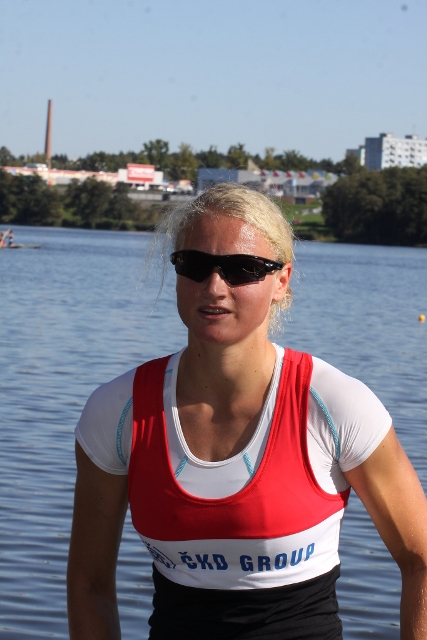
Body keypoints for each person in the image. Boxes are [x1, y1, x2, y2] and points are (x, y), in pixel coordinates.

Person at [67, 183, 427, 640]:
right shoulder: (118, 411)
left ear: (282, 281)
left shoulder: (335, 405)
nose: (214, 287)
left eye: (243, 269)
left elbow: (421, 560)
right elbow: (89, 584)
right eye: (194, 264)